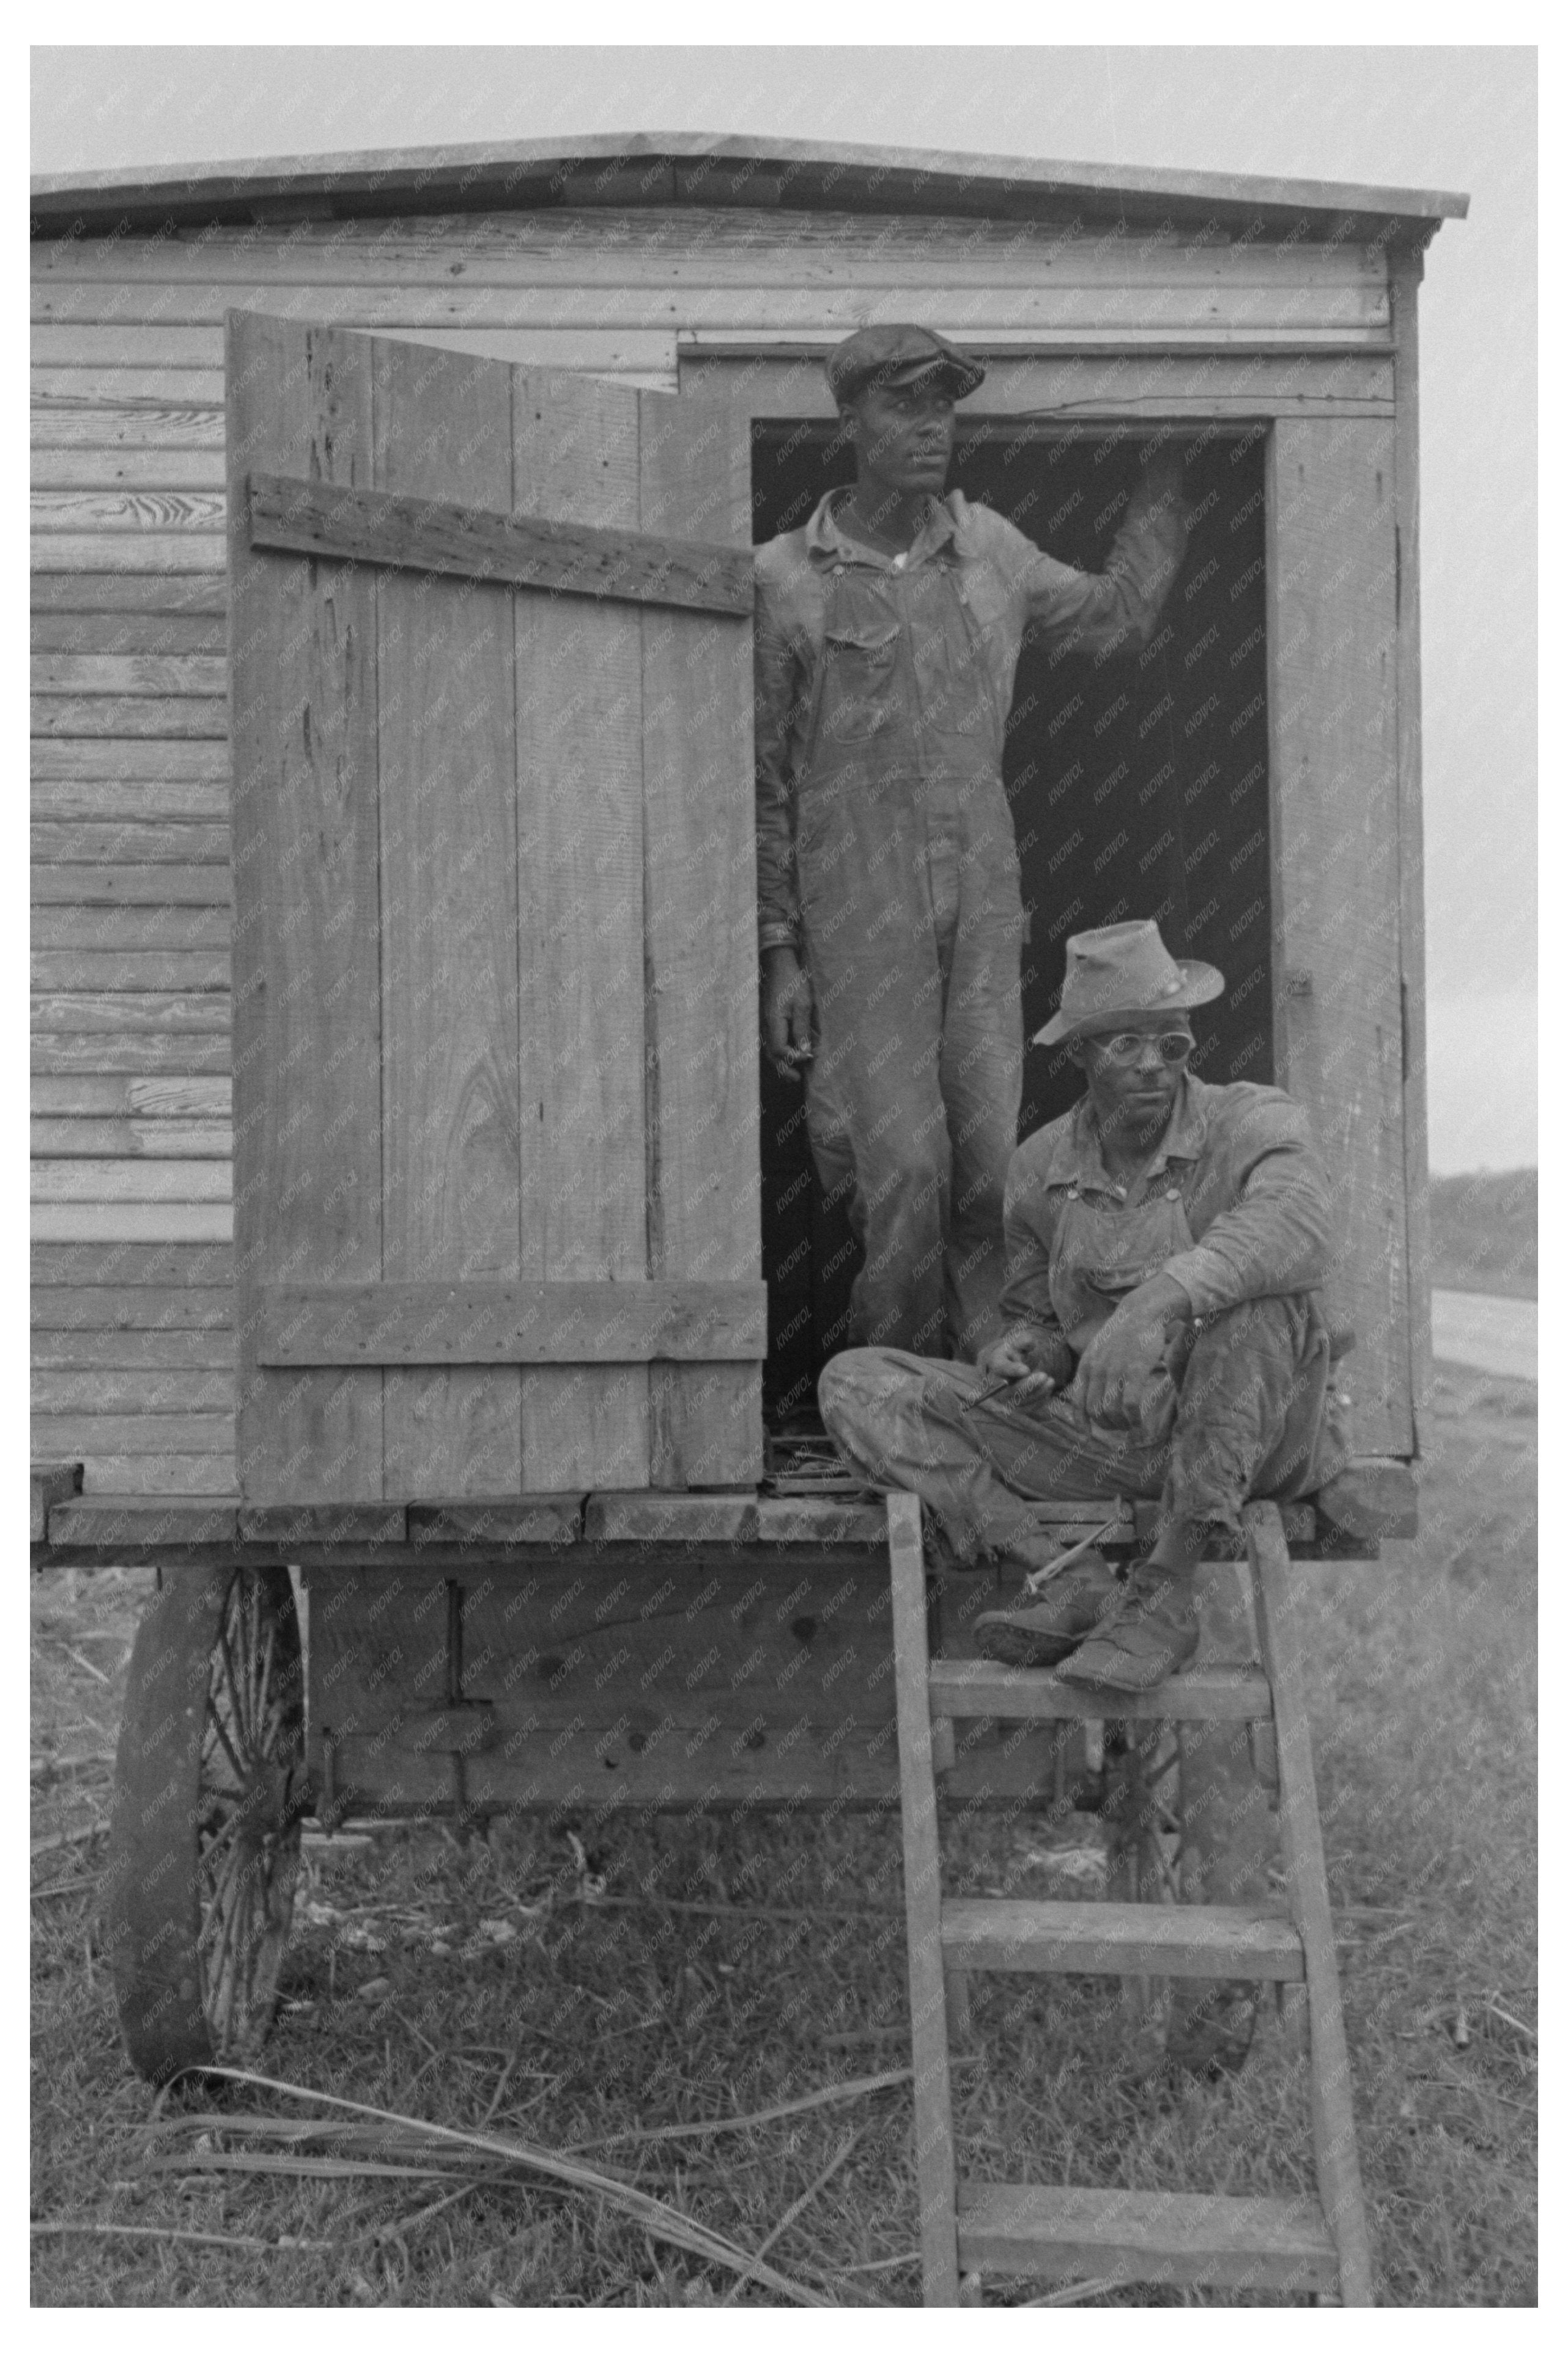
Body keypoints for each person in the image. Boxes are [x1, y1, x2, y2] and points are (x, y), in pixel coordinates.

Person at [754, 326, 1189, 1363]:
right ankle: (886, 1392)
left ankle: (985, 1392)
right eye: (903, 405)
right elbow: (761, 784)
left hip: (981, 891)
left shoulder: (987, 550)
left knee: (989, 1166)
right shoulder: (783, 580)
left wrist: (1170, 473)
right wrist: (776, 949)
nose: (928, 426)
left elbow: (1118, 616)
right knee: (898, 1165)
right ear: (849, 422)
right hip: (854, 906)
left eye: (942, 406)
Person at [818, 919, 1351, 1694]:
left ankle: (1166, 1589)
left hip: (1257, 1434)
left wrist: (1150, 1309)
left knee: (1258, 1303)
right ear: (1078, 1054)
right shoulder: (1038, 1168)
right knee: (858, 1383)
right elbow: (1036, 1315)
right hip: (1117, 1438)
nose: (1152, 1067)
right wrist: (1027, 1354)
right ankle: (1072, 1578)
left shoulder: (1250, 1120)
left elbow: (1301, 1225)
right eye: (1124, 1045)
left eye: (1170, 1044)